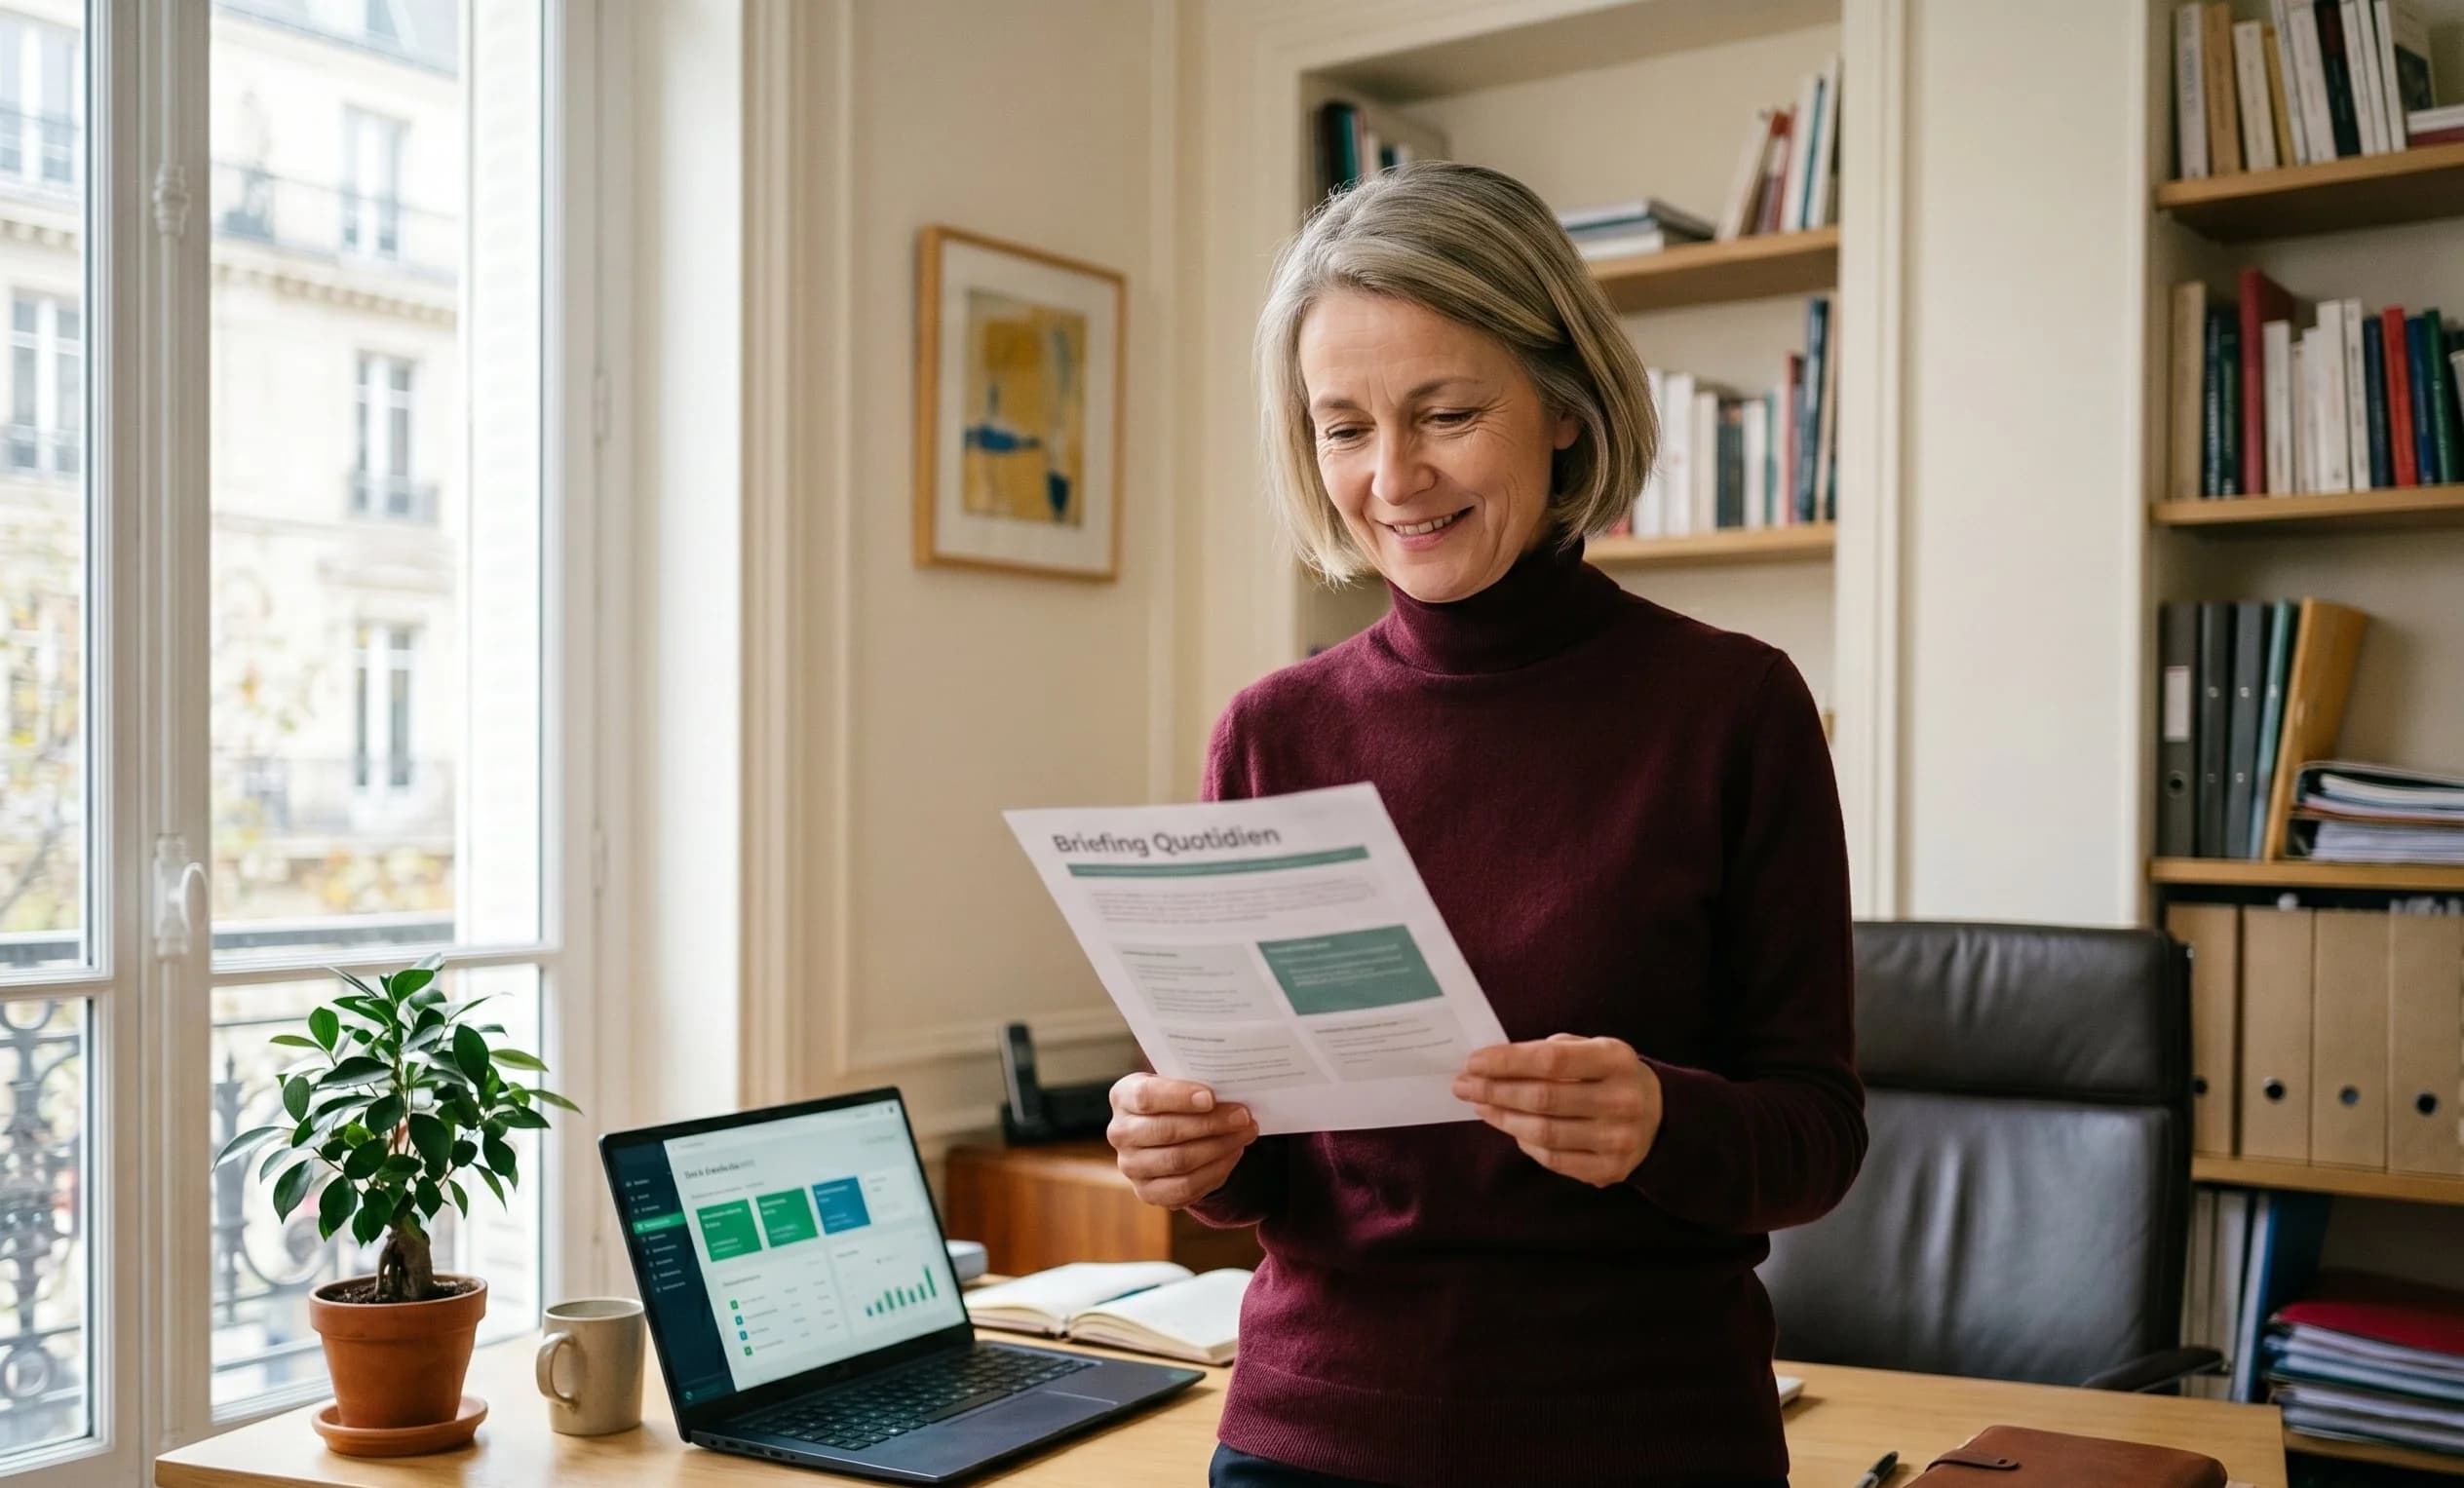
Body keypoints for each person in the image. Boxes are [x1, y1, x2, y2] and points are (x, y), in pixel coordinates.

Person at [1104, 161, 1867, 1488]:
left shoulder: (1732, 708)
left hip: (1640, 1438)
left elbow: (1817, 1136)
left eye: (1446, 413)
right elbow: (1264, 1170)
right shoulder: (1273, 733)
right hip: (1314, 1436)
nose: (1393, 477)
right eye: (1343, 428)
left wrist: (1660, 1121)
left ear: (1566, 406)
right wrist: (1194, 1154)